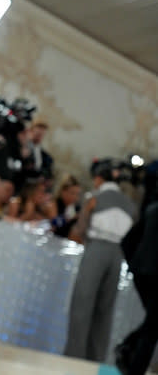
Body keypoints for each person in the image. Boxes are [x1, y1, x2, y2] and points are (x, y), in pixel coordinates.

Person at [64, 160, 137, 362]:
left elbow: (80, 228)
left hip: (96, 247)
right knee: (106, 309)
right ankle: (96, 358)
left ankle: (74, 356)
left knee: (82, 302)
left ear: (98, 178)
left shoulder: (94, 198)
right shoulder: (129, 204)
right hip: (117, 253)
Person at [115, 198, 158, 375]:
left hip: (142, 273)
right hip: (153, 275)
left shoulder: (152, 208)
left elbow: (127, 241)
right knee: (152, 328)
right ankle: (131, 359)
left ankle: (128, 348)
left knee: (153, 323)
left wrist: (135, 267)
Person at [52, 174, 81, 238]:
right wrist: (70, 217)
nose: (75, 197)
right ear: (63, 192)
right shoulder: (54, 204)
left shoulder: (77, 208)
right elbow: (53, 224)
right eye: (72, 193)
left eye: (77, 194)